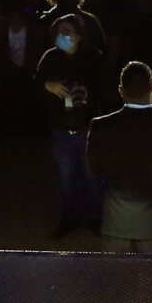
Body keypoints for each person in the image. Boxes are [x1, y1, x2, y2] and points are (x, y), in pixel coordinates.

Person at [86, 60, 152, 248]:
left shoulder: (100, 127)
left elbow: (94, 171)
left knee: (116, 277)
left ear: (121, 90)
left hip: (115, 224)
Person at [36, 12, 99, 238]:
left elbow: (104, 88)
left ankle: (94, 218)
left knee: (91, 176)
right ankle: (68, 218)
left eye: (68, 31)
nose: (63, 35)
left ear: (79, 36)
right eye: (59, 32)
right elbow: (34, 85)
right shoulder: (50, 58)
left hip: (88, 128)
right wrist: (48, 85)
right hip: (61, 129)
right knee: (65, 175)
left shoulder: (91, 58)